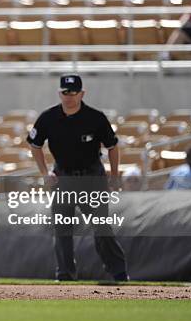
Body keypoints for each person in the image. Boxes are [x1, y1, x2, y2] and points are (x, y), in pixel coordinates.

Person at [27, 74, 129, 282]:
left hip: (92, 177)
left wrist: (115, 175)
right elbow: (34, 144)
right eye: (65, 92)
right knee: (62, 229)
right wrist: (45, 173)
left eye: (73, 92)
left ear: (82, 94)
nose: (69, 96)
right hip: (63, 177)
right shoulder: (48, 117)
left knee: (101, 226)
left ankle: (118, 272)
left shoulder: (96, 118)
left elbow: (112, 146)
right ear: (59, 93)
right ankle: (65, 275)